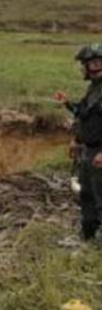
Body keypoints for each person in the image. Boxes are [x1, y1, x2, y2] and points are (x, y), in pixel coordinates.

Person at [54, 44, 102, 241]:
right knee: (87, 195)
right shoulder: (94, 89)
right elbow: (84, 114)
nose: (93, 67)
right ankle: (88, 237)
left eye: (97, 62)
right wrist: (76, 139)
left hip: (99, 153)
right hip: (89, 151)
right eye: (90, 64)